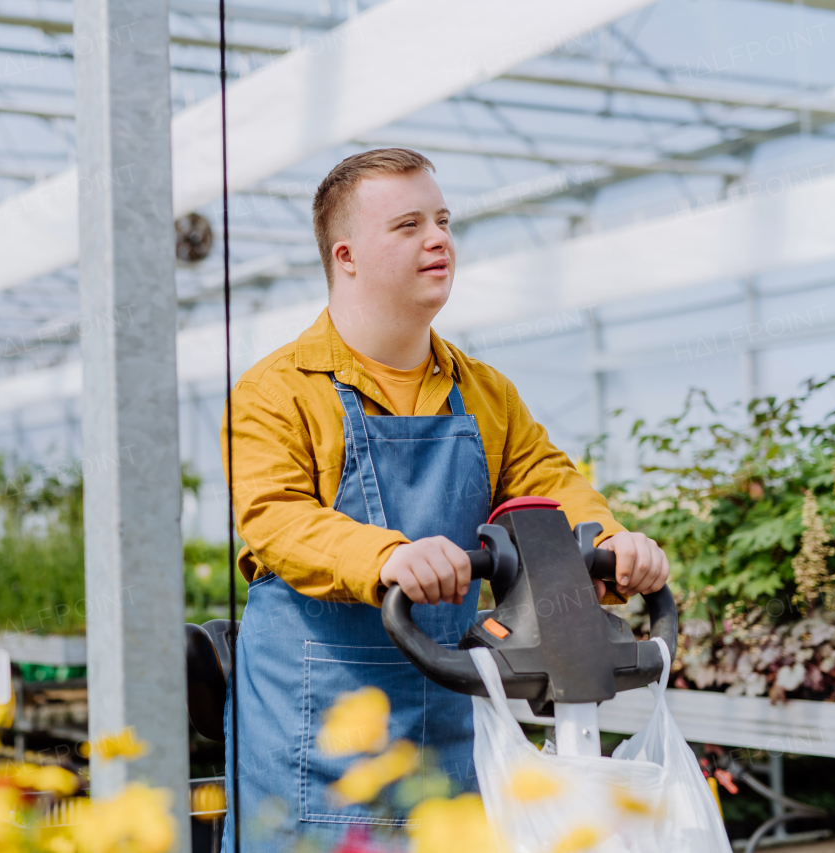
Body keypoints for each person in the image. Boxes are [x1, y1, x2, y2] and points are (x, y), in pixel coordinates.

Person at [219, 148, 669, 847]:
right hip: (318, 728)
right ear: (347, 257)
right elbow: (275, 517)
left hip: (452, 715)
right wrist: (387, 556)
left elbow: (550, 483)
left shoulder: (484, 391)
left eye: (443, 220)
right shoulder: (277, 391)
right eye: (407, 225)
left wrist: (608, 543)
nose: (439, 239)